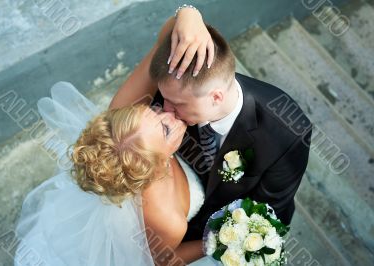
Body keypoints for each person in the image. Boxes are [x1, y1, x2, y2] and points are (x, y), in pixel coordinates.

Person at [14, 7, 213, 266]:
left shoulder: (123, 108)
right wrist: (216, 241)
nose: (169, 112)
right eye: (165, 130)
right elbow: (164, 262)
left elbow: (166, 38)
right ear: (156, 168)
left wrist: (189, 15)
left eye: (151, 110)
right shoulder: (167, 221)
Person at [110, 5, 313, 243]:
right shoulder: (168, 100)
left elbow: (271, 212)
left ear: (216, 97)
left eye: (176, 104)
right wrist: (188, 12)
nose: (165, 111)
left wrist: (225, 242)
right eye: (164, 99)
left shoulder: (286, 132)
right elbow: (168, 34)